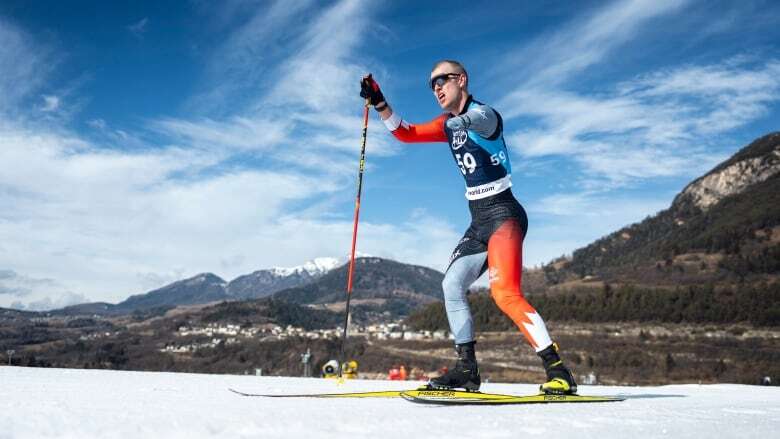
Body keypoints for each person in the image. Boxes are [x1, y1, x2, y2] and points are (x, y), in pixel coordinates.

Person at [359, 60, 577, 395]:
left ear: (461, 80)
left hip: (505, 214)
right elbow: (406, 133)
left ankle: (559, 371)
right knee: (451, 285)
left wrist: (453, 124)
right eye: (431, 85)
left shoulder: (485, 115)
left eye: (442, 81)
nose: (436, 89)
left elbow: (475, 121)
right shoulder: (448, 123)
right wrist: (381, 103)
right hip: (479, 221)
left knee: (504, 294)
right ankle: (467, 371)